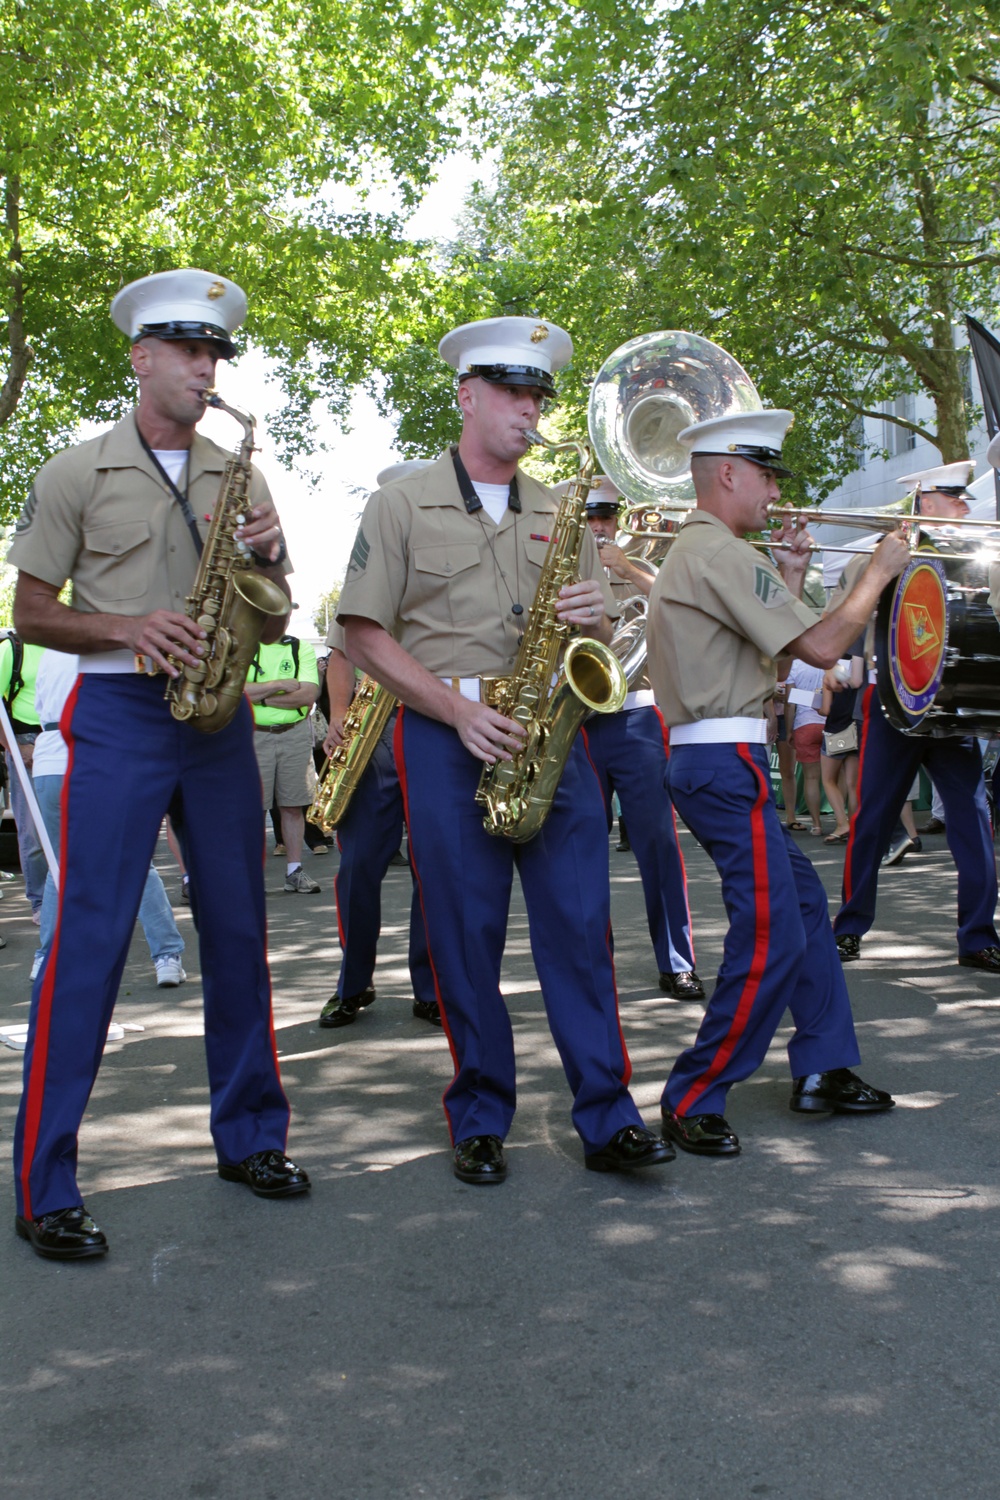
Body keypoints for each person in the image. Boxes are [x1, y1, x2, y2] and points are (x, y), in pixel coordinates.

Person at [8, 268, 310, 1262]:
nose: (204, 368)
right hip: (122, 709)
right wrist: (127, 624)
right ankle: (45, 1182)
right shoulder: (75, 472)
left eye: (215, 353)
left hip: (217, 718)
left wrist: (270, 560)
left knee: (239, 931)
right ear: (141, 359)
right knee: (90, 939)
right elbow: (31, 611)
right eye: (187, 351)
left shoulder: (241, 473)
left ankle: (252, 1138)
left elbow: (278, 610)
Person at [338, 315, 673, 1183]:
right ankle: (481, 1111)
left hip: (552, 733)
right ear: (468, 395)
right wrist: (453, 710)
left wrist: (595, 618)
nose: (530, 411)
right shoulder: (401, 501)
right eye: (515, 394)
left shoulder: (562, 510)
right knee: (463, 931)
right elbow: (365, 634)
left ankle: (608, 1115)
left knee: (581, 927)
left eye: (538, 397)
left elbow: (595, 629)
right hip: (448, 735)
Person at [645, 406, 908, 1157]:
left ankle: (823, 1065)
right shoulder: (721, 553)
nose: (773, 492)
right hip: (721, 762)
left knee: (798, 904)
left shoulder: (715, 553)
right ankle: (695, 1092)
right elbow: (827, 647)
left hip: (720, 760)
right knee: (769, 935)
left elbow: (789, 658)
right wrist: (876, 570)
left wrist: (792, 577)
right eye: (765, 474)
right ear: (727, 472)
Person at [832, 462, 1000, 970]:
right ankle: (850, 926)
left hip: (952, 707)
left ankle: (978, 936)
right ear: (927, 502)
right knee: (872, 819)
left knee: (972, 820)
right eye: (955, 498)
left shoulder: (980, 555)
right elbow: (849, 609)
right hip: (894, 704)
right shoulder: (885, 554)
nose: (966, 508)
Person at [579, 475, 702, 999]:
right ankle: (589, 968)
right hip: (578, 719)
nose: (600, 526)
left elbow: (685, 609)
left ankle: (677, 960)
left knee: (657, 843)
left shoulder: (646, 561)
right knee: (579, 851)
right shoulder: (555, 563)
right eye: (590, 518)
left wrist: (626, 568)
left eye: (607, 516)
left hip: (637, 717)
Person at [30, 647, 187, 986]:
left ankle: (45, 957)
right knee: (135, 861)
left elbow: (41, 705)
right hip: (98, 755)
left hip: (51, 761)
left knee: (61, 866)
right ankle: (167, 955)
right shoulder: (110, 646)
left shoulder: (50, 652)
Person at [318, 605, 438, 1029]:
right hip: (374, 729)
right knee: (357, 867)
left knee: (434, 864)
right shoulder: (371, 566)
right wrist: (338, 716)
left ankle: (432, 988)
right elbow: (342, 651)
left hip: (440, 721)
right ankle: (353, 984)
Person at [246, 614, 322, 893]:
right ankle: (250, 875)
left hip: (294, 733)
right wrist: (276, 685)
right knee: (253, 807)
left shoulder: (300, 647)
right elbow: (236, 691)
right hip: (253, 734)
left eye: (285, 613)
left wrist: (261, 696)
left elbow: (307, 695)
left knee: (293, 805)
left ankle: (295, 871)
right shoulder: (243, 645)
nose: (282, 618)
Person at [0, 632, 47, 921]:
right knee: (32, 828)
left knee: (70, 822)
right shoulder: (12, 648)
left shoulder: (62, 645)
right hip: (24, 739)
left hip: (61, 738)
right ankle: (40, 901)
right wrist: (15, 747)